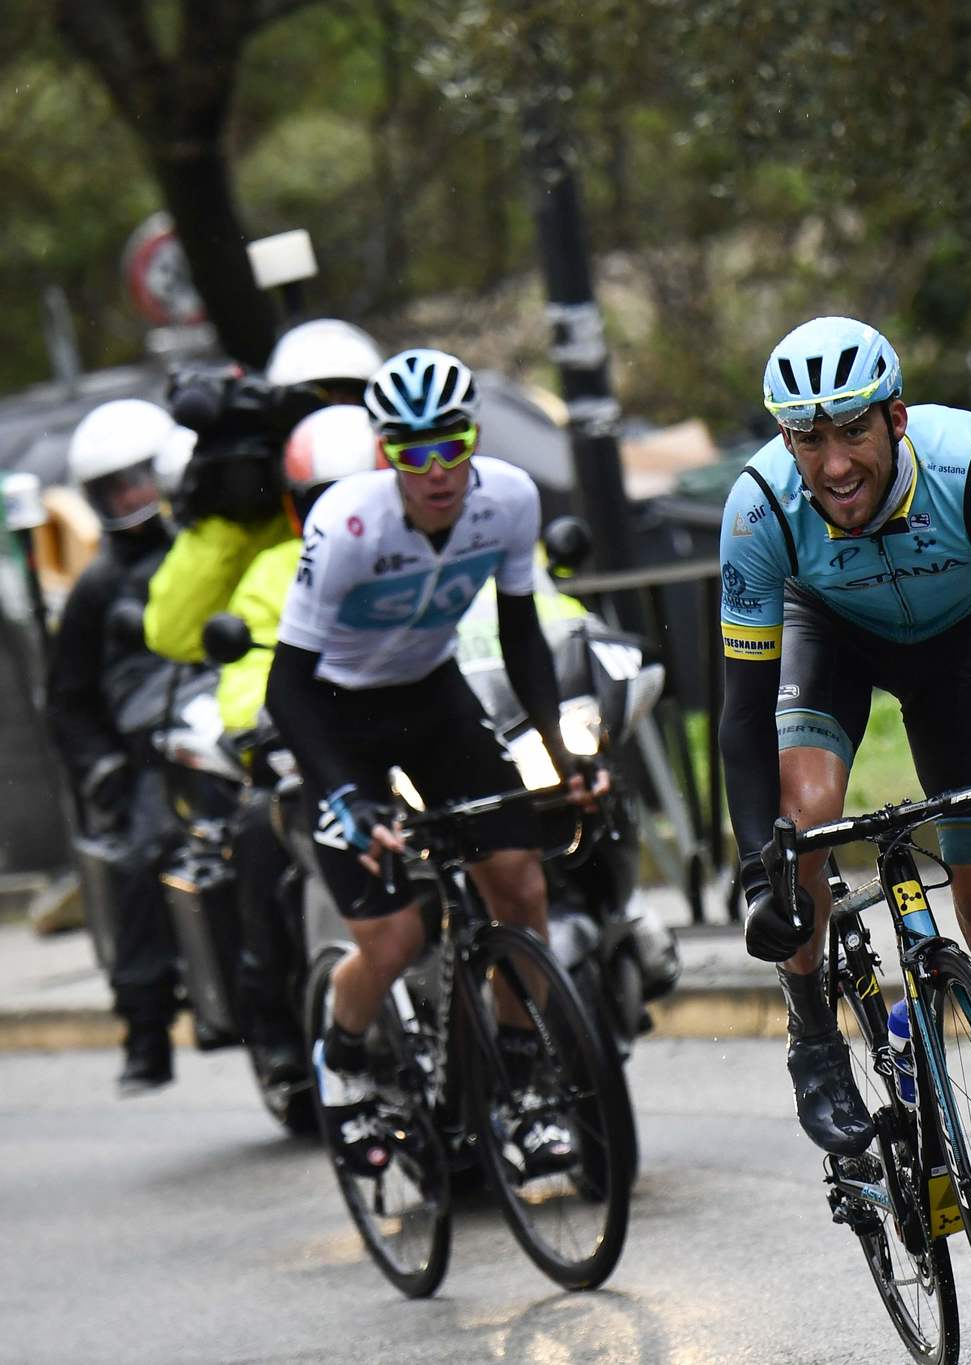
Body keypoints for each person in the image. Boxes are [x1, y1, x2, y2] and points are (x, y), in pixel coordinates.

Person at [719, 315, 971, 1310]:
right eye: (809, 439)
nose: (833, 463)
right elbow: (742, 710)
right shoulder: (759, 508)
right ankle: (811, 1033)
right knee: (805, 818)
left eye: (851, 432)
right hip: (827, 638)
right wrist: (765, 872)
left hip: (957, 649)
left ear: (895, 416)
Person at [265, 348, 605, 1178]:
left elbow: (522, 630)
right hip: (338, 717)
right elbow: (285, 684)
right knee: (392, 938)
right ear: (386, 454)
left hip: (433, 698)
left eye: (451, 444)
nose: (438, 469)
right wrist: (343, 790)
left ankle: (523, 1092)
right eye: (414, 452)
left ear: (472, 439)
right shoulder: (347, 523)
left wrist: (560, 751)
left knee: (521, 885)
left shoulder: (509, 500)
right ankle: (342, 1060)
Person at [213, 404, 385, 1087]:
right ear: (294, 508)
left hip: (414, 737)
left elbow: (514, 610)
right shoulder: (270, 574)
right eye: (320, 499)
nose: (339, 513)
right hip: (320, 756)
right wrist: (264, 721)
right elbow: (247, 678)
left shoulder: (428, 533)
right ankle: (280, 1018)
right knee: (259, 833)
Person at [44, 399, 185, 1092]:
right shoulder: (96, 587)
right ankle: (146, 1027)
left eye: (140, 477)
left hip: (229, 726)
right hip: (154, 752)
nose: (132, 497)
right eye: (115, 486)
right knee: (141, 856)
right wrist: (102, 767)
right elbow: (67, 701)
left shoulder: (210, 546)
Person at [144, 318, 382, 665]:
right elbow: (175, 635)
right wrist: (228, 519)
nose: (333, 426)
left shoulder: (426, 488)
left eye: (350, 403)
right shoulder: (266, 533)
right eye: (312, 407)